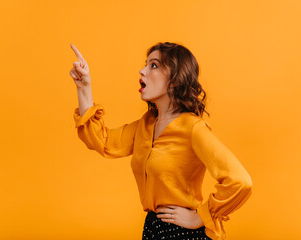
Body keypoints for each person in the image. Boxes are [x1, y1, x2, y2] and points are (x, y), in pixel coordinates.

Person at [69, 42, 252, 240]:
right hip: (153, 228)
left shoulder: (193, 128)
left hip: (183, 233)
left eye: (153, 65)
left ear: (175, 79)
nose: (142, 70)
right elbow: (102, 142)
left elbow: (240, 181)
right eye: (145, 64)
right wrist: (84, 87)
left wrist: (201, 216)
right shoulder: (145, 125)